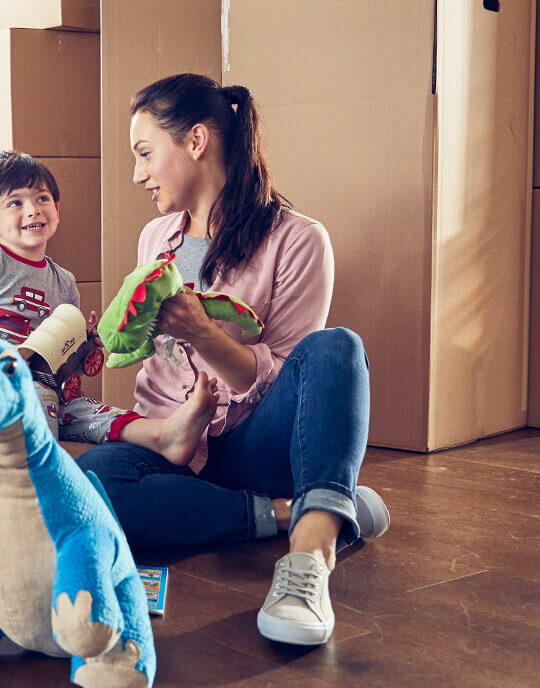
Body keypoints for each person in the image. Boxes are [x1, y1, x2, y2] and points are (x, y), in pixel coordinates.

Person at [73, 73, 391, 647]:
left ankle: (308, 561)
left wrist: (203, 334)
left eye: (145, 154)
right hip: (171, 449)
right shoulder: (155, 239)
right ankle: (301, 511)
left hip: (253, 445)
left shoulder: (299, 239)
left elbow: (291, 380)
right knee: (91, 485)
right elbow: (143, 350)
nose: (137, 173)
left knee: (337, 346)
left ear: (196, 141)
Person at [0, 150, 216, 457]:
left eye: (42, 199)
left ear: (57, 210)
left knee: (87, 410)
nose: (33, 210)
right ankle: (45, 466)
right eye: (15, 203)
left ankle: (163, 435)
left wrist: (86, 346)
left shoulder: (64, 282)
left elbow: (61, 368)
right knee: (36, 396)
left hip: (40, 389)